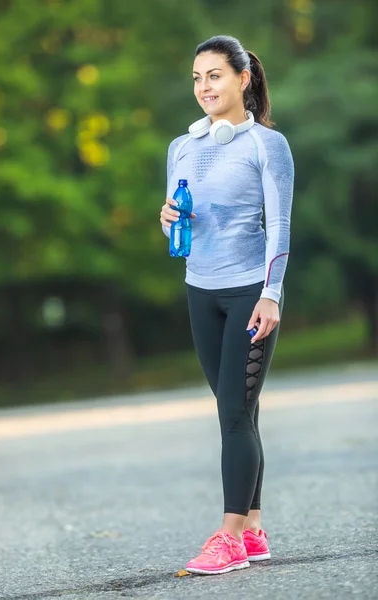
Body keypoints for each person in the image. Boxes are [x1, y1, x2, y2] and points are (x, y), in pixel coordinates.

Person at [159, 35, 294, 575]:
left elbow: (280, 224)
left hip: (247, 291)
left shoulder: (267, 144)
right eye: (196, 78)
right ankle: (255, 529)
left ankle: (230, 535)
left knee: (234, 413)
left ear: (243, 79)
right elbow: (181, 213)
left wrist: (271, 293)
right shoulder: (182, 146)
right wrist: (167, 219)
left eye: (214, 75)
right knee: (238, 410)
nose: (203, 87)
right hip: (200, 289)